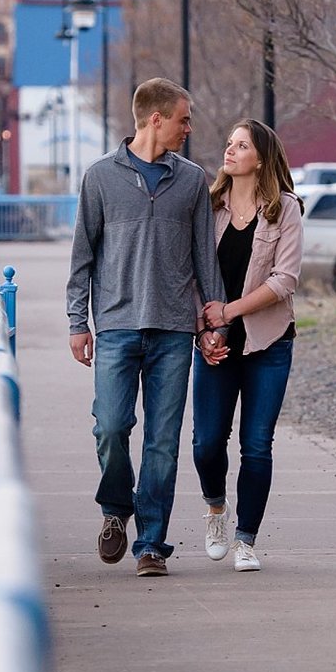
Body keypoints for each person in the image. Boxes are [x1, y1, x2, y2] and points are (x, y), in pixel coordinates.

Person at [66, 79, 225, 576]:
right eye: (183, 118)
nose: (189, 128)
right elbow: (82, 258)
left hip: (175, 330)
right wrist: (78, 321)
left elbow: (205, 257)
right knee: (111, 427)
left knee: (163, 439)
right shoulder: (100, 178)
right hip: (115, 326)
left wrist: (211, 319)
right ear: (155, 119)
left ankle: (151, 543)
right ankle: (116, 510)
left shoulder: (193, 180)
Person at [191, 120, 304, 572]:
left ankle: (246, 539)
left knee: (257, 444)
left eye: (241, 145)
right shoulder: (209, 206)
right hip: (215, 342)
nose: (230, 150)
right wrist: (205, 330)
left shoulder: (286, 210)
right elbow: (194, 274)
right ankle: (217, 509)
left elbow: (285, 280)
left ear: (261, 157)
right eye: (229, 143)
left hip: (268, 342)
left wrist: (230, 312)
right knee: (206, 443)